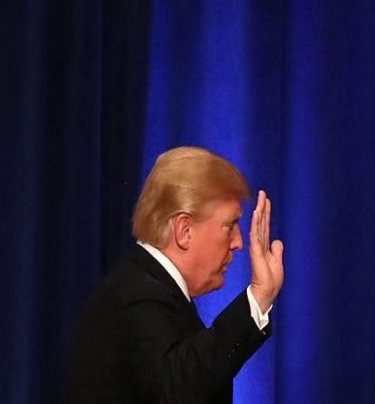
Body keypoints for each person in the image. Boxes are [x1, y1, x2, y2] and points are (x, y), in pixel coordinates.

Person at [66, 146, 284, 404]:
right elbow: (178, 390)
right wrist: (259, 296)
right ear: (184, 231)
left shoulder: (153, 287)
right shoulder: (138, 296)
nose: (238, 242)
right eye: (230, 225)